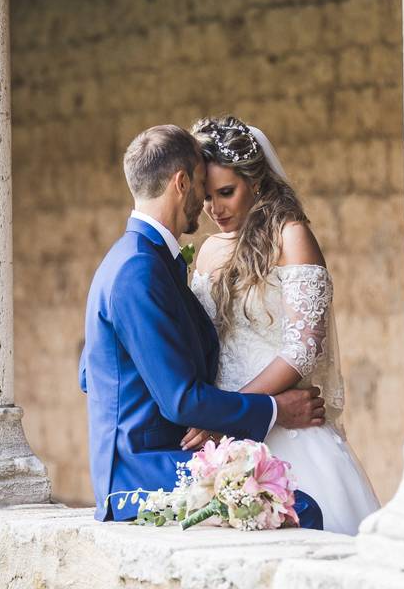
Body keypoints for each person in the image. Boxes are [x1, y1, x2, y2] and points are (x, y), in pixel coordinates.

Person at [78, 124, 325, 525]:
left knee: (293, 502)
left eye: (222, 192)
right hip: (140, 471)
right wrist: (274, 409)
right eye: (201, 188)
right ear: (181, 183)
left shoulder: (144, 258)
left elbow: (91, 372)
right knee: (303, 511)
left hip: (165, 451)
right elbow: (179, 401)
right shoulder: (139, 269)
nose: (207, 205)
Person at [184, 116, 381, 535]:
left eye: (226, 193)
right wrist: (218, 418)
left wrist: (234, 412)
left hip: (287, 432)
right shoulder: (206, 252)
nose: (214, 209)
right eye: (206, 197)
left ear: (256, 182)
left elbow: (302, 349)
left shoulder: (292, 237)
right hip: (223, 440)